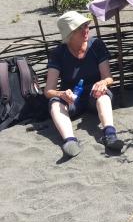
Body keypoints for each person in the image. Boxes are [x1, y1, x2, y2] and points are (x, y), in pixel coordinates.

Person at [44, 11, 124, 157]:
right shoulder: (58, 53)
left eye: (86, 26)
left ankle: (110, 135)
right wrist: (61, 93)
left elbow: (109, 78)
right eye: (80, 28)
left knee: (104, 96)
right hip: (72, 99)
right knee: (55, 104)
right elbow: (48, 90)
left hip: (94, 96)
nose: (86, 30)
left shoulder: (96, 46)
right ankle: (69, 140)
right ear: (69, 33)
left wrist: (103, 82)